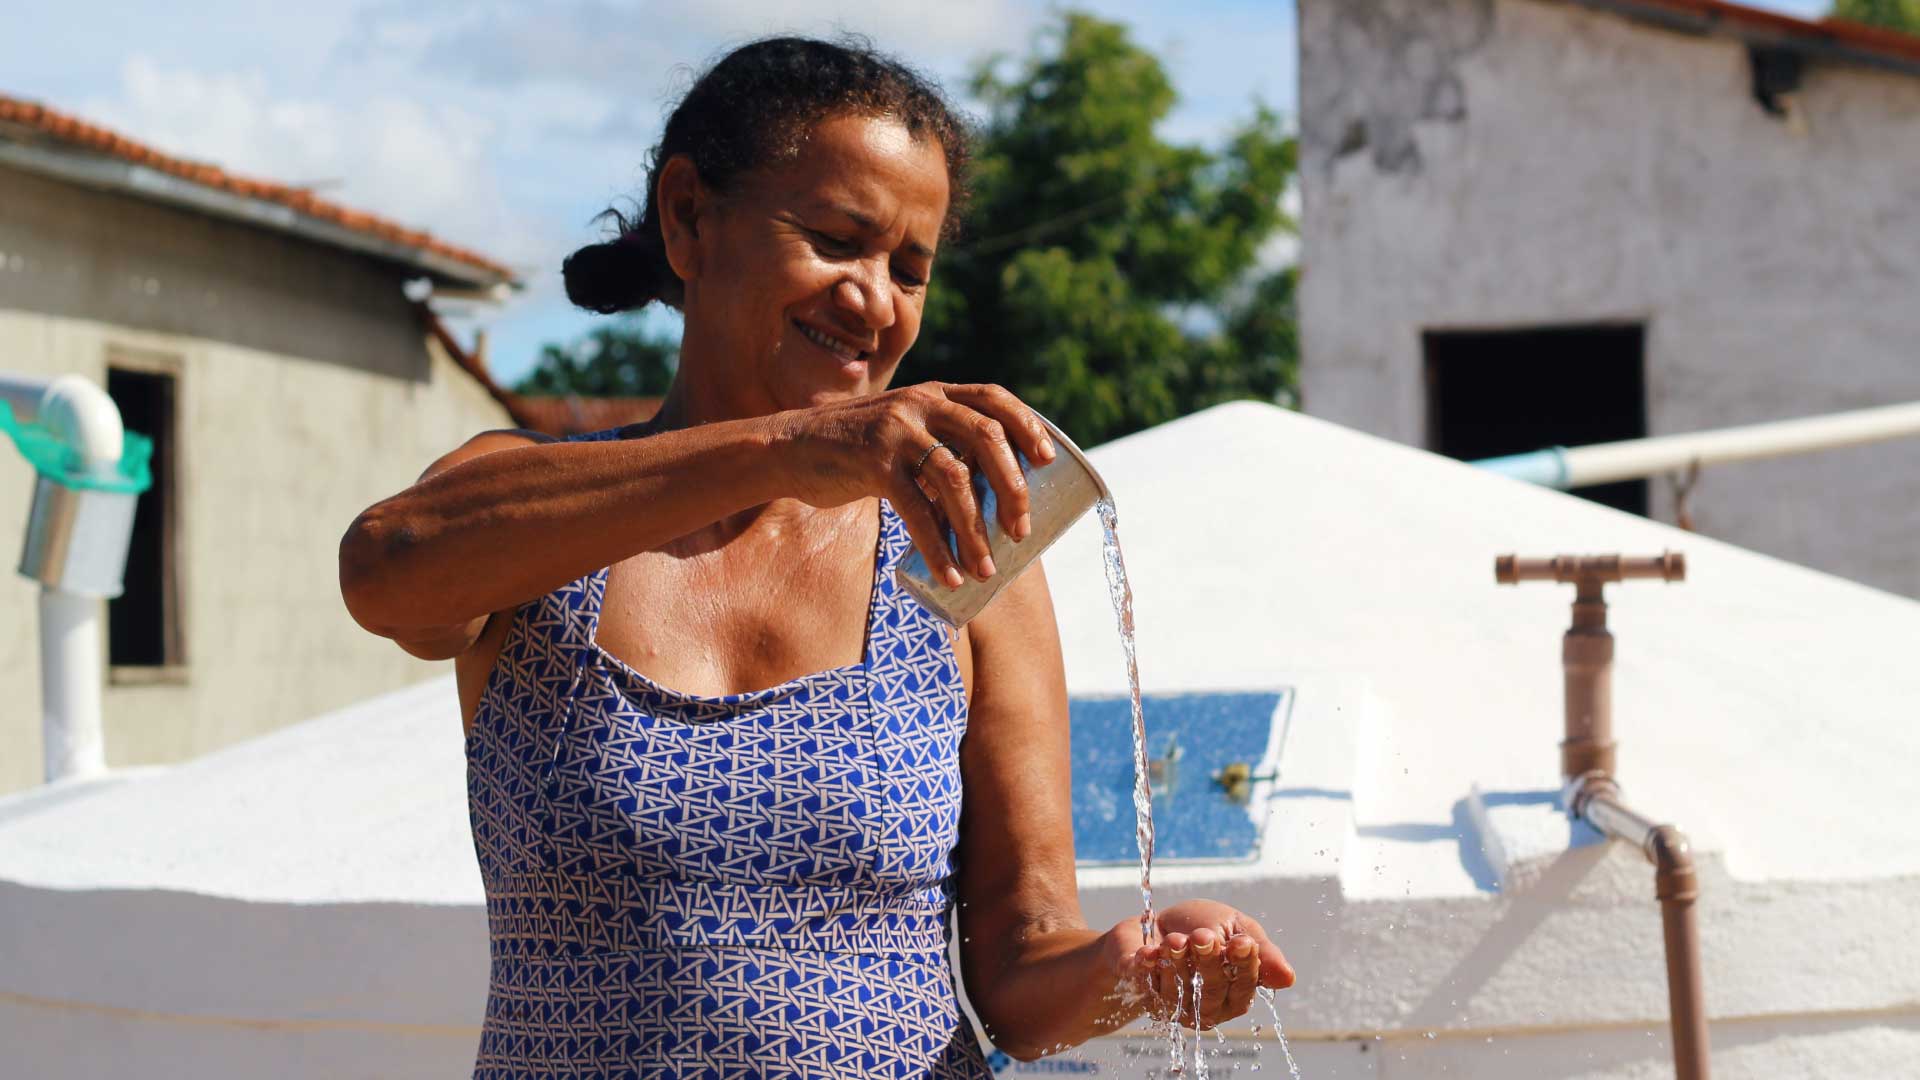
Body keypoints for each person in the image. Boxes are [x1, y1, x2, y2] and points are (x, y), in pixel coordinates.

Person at [339, 35, 1293, 1078]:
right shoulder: (545, 512)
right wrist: (787, 450)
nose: (876, 299)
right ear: (690, 216)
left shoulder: (958, 553)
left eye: (910, 270)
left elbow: (1022, 974)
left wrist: (1131, 965)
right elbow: (387, 567)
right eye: (838, 240)